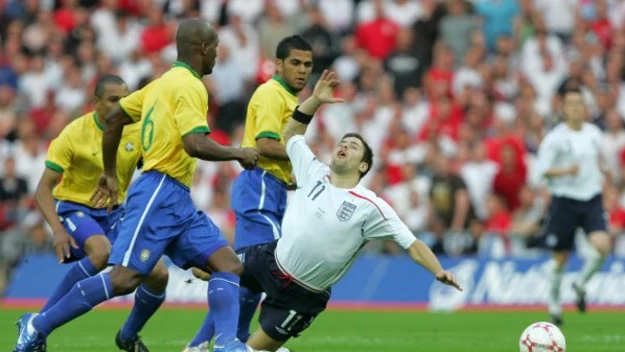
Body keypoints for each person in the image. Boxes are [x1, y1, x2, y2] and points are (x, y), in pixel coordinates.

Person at [15, 19, 259, 352]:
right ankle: (37, 323)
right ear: (203, 48)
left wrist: (112, 173)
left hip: (177, 199)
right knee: (123, 279)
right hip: (159, 191)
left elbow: (115, 119)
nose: (218, 54)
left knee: (228, 265)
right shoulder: (190, 86)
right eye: (215, 47)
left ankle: (227, 344)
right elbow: (195, 144)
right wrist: (238, 153)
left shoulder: (159, 84)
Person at [192, 70, 462, 352]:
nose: (344, 145)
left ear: (363, 167)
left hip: (301, 296)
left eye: (353, 146)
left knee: (252, 350)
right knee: (208, 267)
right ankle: (197, 343)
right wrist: (315, 101)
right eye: (343, 141)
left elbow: (412, 243)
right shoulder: (313, 171)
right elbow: (292, 134)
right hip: (271, 259)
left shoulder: (370, 206)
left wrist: (438, 270)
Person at [20, 74, 170, 351]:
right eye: (114, 100)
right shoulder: (73, 133)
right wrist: (58, 231)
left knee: (159, 273)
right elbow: (42, 189)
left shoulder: (135, 132)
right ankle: (38, 324)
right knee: (100, 252)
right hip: (76, 208)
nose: (120, 105)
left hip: (115, 212)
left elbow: (150, 171)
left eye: (125, 99)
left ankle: (128, 336)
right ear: (96, 102)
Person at [185, 35, 314, 352]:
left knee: (249, 277)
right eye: (295, 63)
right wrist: (309, 160)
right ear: (279, 64)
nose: (302, 70)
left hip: (271, 188)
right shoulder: (272, 94)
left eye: (308, 65)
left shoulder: (287, 98)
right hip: (259, 187)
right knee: (273, 265)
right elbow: (265, 145)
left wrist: (292, 177)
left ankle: (204, 343)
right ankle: (251, 337)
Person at [534, 87, 612, 326]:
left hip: (591, 199)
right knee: (560, 258)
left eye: (580, 103)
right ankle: (555, 303)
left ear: (585, 108)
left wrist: (602, 168)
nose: (576, 107)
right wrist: (565, 170)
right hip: (565, 200)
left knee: (603, 246)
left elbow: (596, 158)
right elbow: (541, 171)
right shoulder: (555, 138)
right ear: (564, 108)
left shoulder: (594, 133)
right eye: (571, 103)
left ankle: (580, 284)